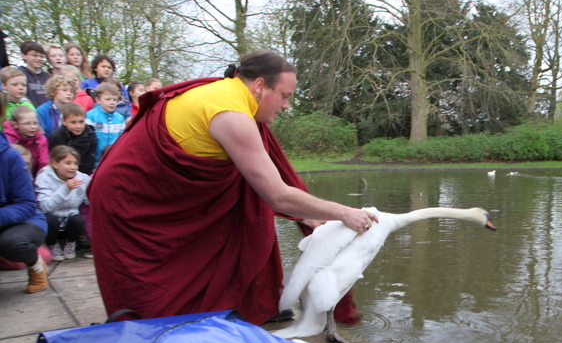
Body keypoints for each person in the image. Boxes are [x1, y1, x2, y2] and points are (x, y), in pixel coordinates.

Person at [88, 50, 378, 324]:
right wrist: (344, 213)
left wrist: (307, 215)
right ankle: (147, 327)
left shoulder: (228, 95)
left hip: (158, 188)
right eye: (285, 96)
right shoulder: (231, 113)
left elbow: (257, 182)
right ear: (260, 86)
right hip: (127, 195)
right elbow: (277, 195)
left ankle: (238, 305)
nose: (286, 106)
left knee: (235, 220)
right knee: (150, 295)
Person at [0, 93, 48, 293]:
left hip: (21, 221)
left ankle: (36, 264)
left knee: (14, 244)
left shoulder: (9, 156)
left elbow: (27, 204)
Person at [35, 145, 90, 261]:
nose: (73, 167)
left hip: (70, 217)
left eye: (75, 163)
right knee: (50, 220)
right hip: (52, 218)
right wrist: (65, 189)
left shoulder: (83, 178)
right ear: (55, 164)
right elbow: (45, 206)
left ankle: (70, 242)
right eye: (68, 163)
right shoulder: (43, 178)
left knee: (78, 220)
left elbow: (88, 200)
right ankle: (52, 243)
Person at [48, 102, 97, 176]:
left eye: (81, 122)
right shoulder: (56, 136)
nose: (78, 126)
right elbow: (55, 159)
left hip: (83, 174)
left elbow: (90, 161)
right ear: (64, 121)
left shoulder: (90, 135)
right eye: (73, 122)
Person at [85, 82, 125, 168]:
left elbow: (122, 139)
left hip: (112, 161)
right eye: (108, 99)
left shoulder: (120, 118)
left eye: (115, 100)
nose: (112, 103)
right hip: (93, 161)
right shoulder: (90, 116)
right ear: (98, 100)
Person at [3, 106, 49, 175]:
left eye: (35, 123)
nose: (33, 127)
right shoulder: (7, 140)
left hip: (37, 177)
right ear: (15, 124)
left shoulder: (41, 139)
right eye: (27, 123)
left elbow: (43, 163)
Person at [18, 41, 51, 107]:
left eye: (41, 56)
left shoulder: (48, 77)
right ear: (24, 56)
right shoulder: (19, 73)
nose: (39, 59)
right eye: (34, 55)